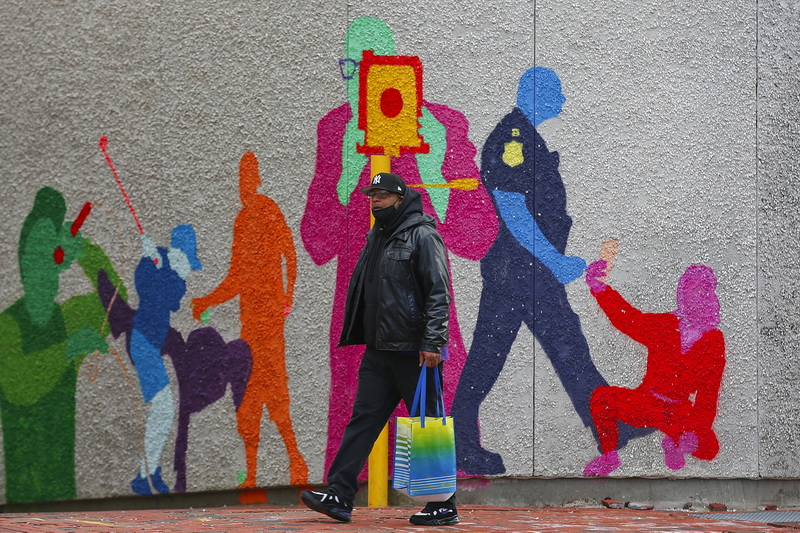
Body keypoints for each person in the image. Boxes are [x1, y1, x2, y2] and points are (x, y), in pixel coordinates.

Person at [300, 16, 497, 480]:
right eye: (351, 68)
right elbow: (316, 243)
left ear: (400, 70)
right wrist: (347, 174)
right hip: (367, 331)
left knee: (428, 419)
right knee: (363, 416)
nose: (363, 81)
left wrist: (442, 179)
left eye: (374, 67)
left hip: (414, 332)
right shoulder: (337, 130)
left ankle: (439, 498)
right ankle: (340, 492)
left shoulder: (441, 126)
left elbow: (477, 238)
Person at [452, 67, 611, 475]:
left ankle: (611, 423)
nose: (562, 101)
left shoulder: (526, 136)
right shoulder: (513, 139)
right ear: (534, 94)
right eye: (555, 93)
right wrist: (556, 261)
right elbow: (514, 211)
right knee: (498, 356)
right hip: (518, 272)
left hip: (526, 271)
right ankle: (461, 442)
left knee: (564, 345)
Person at [301, 172, 458, 526]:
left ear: (400, 199)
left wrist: (433, 341)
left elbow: (438, 292)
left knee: (429, 427)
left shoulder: (422, 234)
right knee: (363, 421)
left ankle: (444, 504)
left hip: (413, 353)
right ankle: (339, 496)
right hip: (379, 351)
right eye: (372, 195)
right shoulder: (378, 236)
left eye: (382, 196)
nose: (374, 200)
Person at [191, 152, 307, 487]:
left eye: (248, 177)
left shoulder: (268, 210)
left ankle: (295, 459)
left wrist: (288, 295)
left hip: (269, 325)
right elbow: (237, 277)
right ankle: (254, 475)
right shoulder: (242, 220)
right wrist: (208, 299)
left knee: (275, 394)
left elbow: (289, 250)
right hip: (250, 327)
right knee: (249, 398)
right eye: (240, 178)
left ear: (254, 180)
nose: (244, 185)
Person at [582, 261, 726, 476]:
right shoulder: (667, 325)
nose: (693, 295)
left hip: (678, 410)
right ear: (682, 292)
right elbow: (628, 319)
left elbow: (708, 396)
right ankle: (609, 457)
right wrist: (600, 288)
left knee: (709, 446)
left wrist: (695, 433)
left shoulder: (713, 340)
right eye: (689, 288)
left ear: (709, 295)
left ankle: (677, 445)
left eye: (701, 290)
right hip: (647, 402)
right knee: (603, 398)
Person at [129, 224, 202, 494]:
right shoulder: (156, 258)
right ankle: (144, 474)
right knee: (164, 408)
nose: (188, 269)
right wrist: (148, 260)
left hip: (151, 344)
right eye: (187, 260)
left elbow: (171, 299)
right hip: (143, 341)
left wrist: (166, 269)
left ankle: (147, 472)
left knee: (163, 410)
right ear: (178, 251)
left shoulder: (176, 276)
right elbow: (144, 288)